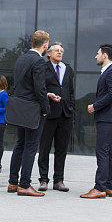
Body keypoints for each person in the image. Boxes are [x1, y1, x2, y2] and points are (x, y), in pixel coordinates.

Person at [8, 30, 51, 196]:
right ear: (45, 44)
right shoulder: (39, 61)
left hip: (20, 108)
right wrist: (46, 108)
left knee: (20, 144)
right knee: (31, 146)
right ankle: (24, 184)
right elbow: (40, 88)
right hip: (33, 109)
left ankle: (13, 182)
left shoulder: (21, 59)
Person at [81, 44, 112, 199]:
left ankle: (100, 187)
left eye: (97, 53)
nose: (95, 56)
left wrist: (94, 106)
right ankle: (110, 187)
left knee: (102, 152)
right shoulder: (108, 72)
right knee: (109, 152)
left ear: (105, 55)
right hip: (107, 118)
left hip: (107, 118)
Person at [37, 42, 74, 192]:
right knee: (44, 147)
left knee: (61, 149)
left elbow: (70, 90)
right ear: (49, 53)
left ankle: (58, 180)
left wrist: (71, 107)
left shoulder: (68, 69)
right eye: (56, 51)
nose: (59, 53)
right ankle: (43, 179)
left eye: (61, 51)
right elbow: (40, 88)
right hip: (49, 113)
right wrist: (47, 97)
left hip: (65, 114)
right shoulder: (43, 68)